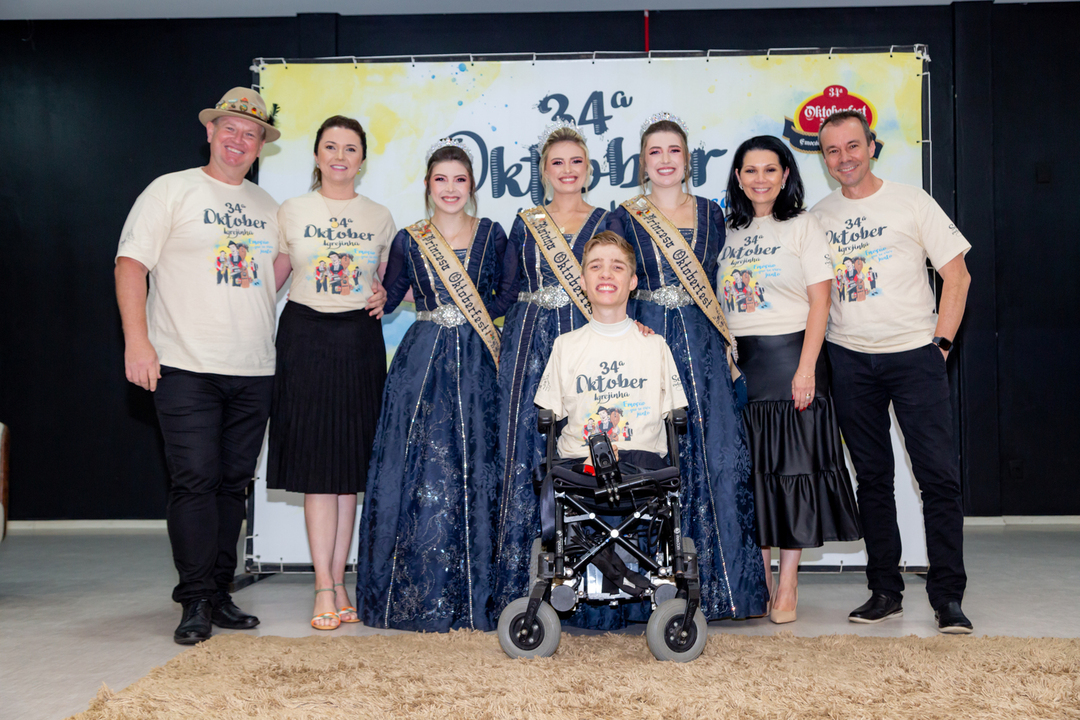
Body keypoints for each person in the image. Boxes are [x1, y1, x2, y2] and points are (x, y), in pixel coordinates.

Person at [115, 87, 281, 644]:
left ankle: (219, 592)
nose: (239, 139)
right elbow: (130, 264)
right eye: (230, 128)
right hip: (183, 364)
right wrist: (137, 342)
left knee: (232, 487)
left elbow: (279, 274)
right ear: (210, 131)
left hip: (254, 368)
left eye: (250, 133)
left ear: (261, 145)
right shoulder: (171, 190)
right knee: (194, 482)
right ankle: (193, 601)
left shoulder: (269, 208)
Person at [812, 110, 973, 633]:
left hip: (914, 357)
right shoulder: (818, 216)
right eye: (832, 150)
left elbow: (958, 275)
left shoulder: (912, 201)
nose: (844, 158)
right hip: (849, 359)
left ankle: (948, 597)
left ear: (872, 147)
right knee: (873, 480)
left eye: (852, 146)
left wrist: (940, 345)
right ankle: (885, 591)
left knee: (938, 479)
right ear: (824, 157)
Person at [355, 138, 515, 632]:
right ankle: (415, 592)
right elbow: (398, 292)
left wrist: (470, 318)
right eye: (441, 180)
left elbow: (507, 295)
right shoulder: (409, 237)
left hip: (479, 360)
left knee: (477, 464)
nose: (450, 188)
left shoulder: (493, 232)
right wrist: (381, 293)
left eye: (460, 180)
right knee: (421, 467)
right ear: (428, 185)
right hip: (422, 360)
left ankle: (478, 594)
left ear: (472, 186)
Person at [613, 113, 769, 621]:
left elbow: (725, 282)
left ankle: (724, 586)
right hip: (647, 341)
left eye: (673, 151)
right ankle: (644, 589)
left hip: (702, 346)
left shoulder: (711, 213)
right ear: (643, 162)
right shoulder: (624, 216)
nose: (665, 160)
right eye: (655, 152)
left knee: (711, 454)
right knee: (651, 455)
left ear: (688, 160)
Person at [721, 135, 862, 624]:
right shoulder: (726, 231)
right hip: (743, 368)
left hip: (792, 361)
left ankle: (788, 582)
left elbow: (821, 303)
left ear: (786, 176)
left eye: (770, 169)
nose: (760, 179)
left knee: (792, 472)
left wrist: (806, 368)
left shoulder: (805, 226)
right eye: (750, 170)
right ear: (737, 178)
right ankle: (757, 580)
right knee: (754, 477)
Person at [269, 115, 395, 631]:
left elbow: (388, 285)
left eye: (350, 148)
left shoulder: (380, 216)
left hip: (359, 343)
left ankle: (341, 581)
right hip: (304, 338)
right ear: (317, 156)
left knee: (349, 473)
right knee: (319, 470)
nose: (340, 156)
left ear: (362, 159)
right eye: (330, 147)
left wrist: (388, 294)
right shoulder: (291, 211)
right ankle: (323, 583)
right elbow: (270, 282)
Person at [534, 229, 687, 508]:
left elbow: (675, 412)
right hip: (579, 465)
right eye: (595, 267)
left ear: (632, 282)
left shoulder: (655, 346)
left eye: (617, 267)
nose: (606, 274)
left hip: (642, 464)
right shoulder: (564, 345)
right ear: (582, 281)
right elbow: (549, 413)